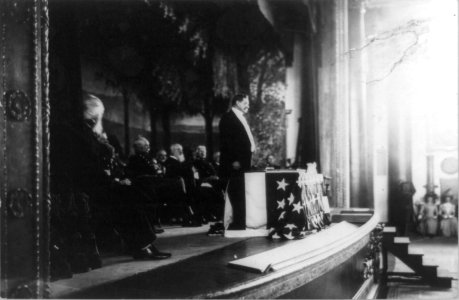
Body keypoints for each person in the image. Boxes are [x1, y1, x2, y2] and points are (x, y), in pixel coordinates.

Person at [69, 94, 171, 260]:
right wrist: (113, 180)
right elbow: (88, 168)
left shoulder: (88, 133)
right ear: (94, 115)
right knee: (128, 197)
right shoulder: (81, 134)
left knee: (133, 192)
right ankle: (141, 247)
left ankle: (146, 244)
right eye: (99, 115)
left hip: (99, 183)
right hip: (91, 187)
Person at [219, 93, 256, 230]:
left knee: (241, 192)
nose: (248, 105)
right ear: (237, 102)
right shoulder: (228, 118)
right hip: (235, 163)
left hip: (243, 162)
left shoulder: (240, 117)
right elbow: (227, 142)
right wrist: (234, 160)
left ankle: (241, 221)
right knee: (236, 192)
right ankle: (237, 222)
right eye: (245, 102)